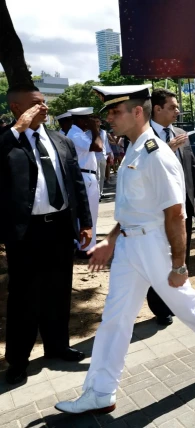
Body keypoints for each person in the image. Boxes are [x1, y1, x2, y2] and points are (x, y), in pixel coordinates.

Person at [55, 84, 195, 415]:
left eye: (115, 112)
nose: (109, 120)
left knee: (185, 304)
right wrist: (111, 239)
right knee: (115, 319)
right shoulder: (132, 150)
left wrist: (179, 264)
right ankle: (100, 391)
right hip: (130, 246)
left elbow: (175, 213)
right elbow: (132, 209)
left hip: (154, 246)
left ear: (137, 112)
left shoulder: (156, 155)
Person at [0, 84, 93, 385]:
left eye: (44, 102)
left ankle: (57, 345)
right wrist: (17, 130)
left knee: (58, 290)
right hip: (26, 232)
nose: (44, 107)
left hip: (60, 227)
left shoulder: (59, 140)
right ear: (17, 108)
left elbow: (76, 183)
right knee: (24, 298)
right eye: (35, 103)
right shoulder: (7, 141)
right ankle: (17, 361)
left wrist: (85, 221)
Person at [147, 88, 195, 326]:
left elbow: (193, 168)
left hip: (182, 208)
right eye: (172, 107)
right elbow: (143, 168)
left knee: (181, 257)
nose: (178, 111)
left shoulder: (181, 133)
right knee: (159, 259)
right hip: (157, 211)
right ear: (157, 108)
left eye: (177, 107)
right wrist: (167, 149)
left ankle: (177, 299)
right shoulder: (143, 135)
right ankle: (160, 308)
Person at [66, 107, 102, 257]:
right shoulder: (75, 134)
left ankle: (86, 246)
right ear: (81, 120)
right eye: (89, 119)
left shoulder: (79, 133)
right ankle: (85, 248)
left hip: (88, 175)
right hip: (84, 176)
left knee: (90, 213)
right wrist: (95, 130)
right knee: (88, 214)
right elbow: (98, 146)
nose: (91, 122)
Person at [91, 116, 112, 201]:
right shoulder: (89, 132)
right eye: (95, 121)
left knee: (103, 175)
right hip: (94, 156)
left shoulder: (103, 132)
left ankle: (101, 192)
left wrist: (109, 153)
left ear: (100, 122)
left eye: (98, 121)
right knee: (97, 175)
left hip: (103, 156)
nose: (97, 123)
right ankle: (97, 194)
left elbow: (106, 144)